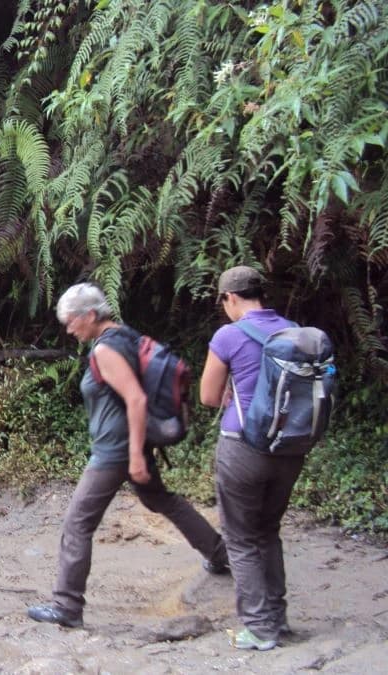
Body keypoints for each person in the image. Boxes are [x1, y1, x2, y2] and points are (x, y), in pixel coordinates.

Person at [27, 283, 229, 628]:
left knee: (77, 524)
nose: (69, 328)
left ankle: (66, 606)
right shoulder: (126, 336)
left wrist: (135, 455)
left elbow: (135, 399)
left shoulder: (106, 350)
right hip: (130, 445)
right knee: (161, 500)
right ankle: (221, 555)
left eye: (71, 320)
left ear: (90, 315)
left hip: (115, 452)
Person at [199, 265, 302, 651]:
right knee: (268, 531)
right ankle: (278, 618)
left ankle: (260, 629)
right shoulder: (293, 330)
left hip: (243, 448)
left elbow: (208, 397)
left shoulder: (230, 334)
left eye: (223, 301)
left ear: (231, 298)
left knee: (241, 538)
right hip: (289, 449)